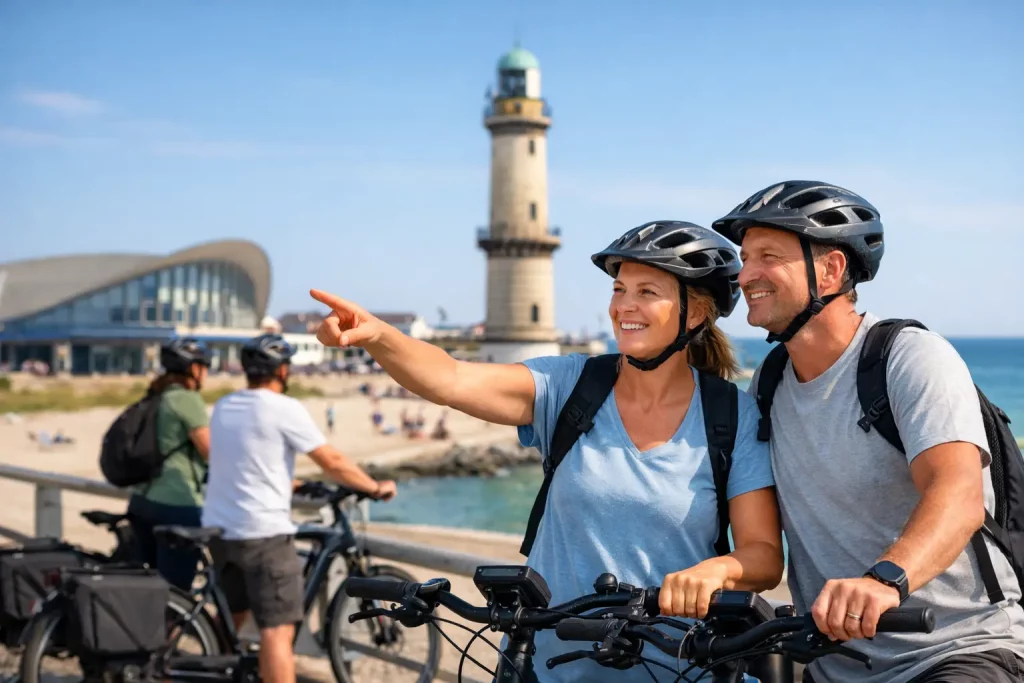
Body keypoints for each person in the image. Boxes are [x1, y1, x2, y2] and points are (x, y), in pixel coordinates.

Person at [310, 221, 784, 682]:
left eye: (647, 292)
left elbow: (763, 555)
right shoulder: (571, 386)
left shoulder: (731, 415)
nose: (624, 305)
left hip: (675, 667)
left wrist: (716, 571)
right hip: (543, 664)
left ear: (695, 314)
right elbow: (451, 379)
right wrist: (378, 335)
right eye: (619, 289)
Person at [712, 180, 1024, 683]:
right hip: (832, 666)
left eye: (768, 257)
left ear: (831, 269)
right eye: (745, 259)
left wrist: (885, 580)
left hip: (956, 650)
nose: (745, 275)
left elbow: (958, 493)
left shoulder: (909, 356)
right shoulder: (769, 383)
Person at [201, 333, 397, 683]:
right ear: (282, 370)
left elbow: (243, 462)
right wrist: (373, 486)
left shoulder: (225, 406)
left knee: (231, 617)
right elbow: (332, 461)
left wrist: (291, 484)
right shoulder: (283, 408)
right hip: (262, 535)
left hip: (220, 530)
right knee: (277, 632)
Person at [127, 337, 211, 591]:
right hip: (177, 504)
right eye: (205, 367)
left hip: (142, 501)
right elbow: (211, 452)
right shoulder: (186, 399)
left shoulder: (155, 395)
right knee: (175, 593)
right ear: (193, 369)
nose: (206, 373)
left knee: (143, 590)